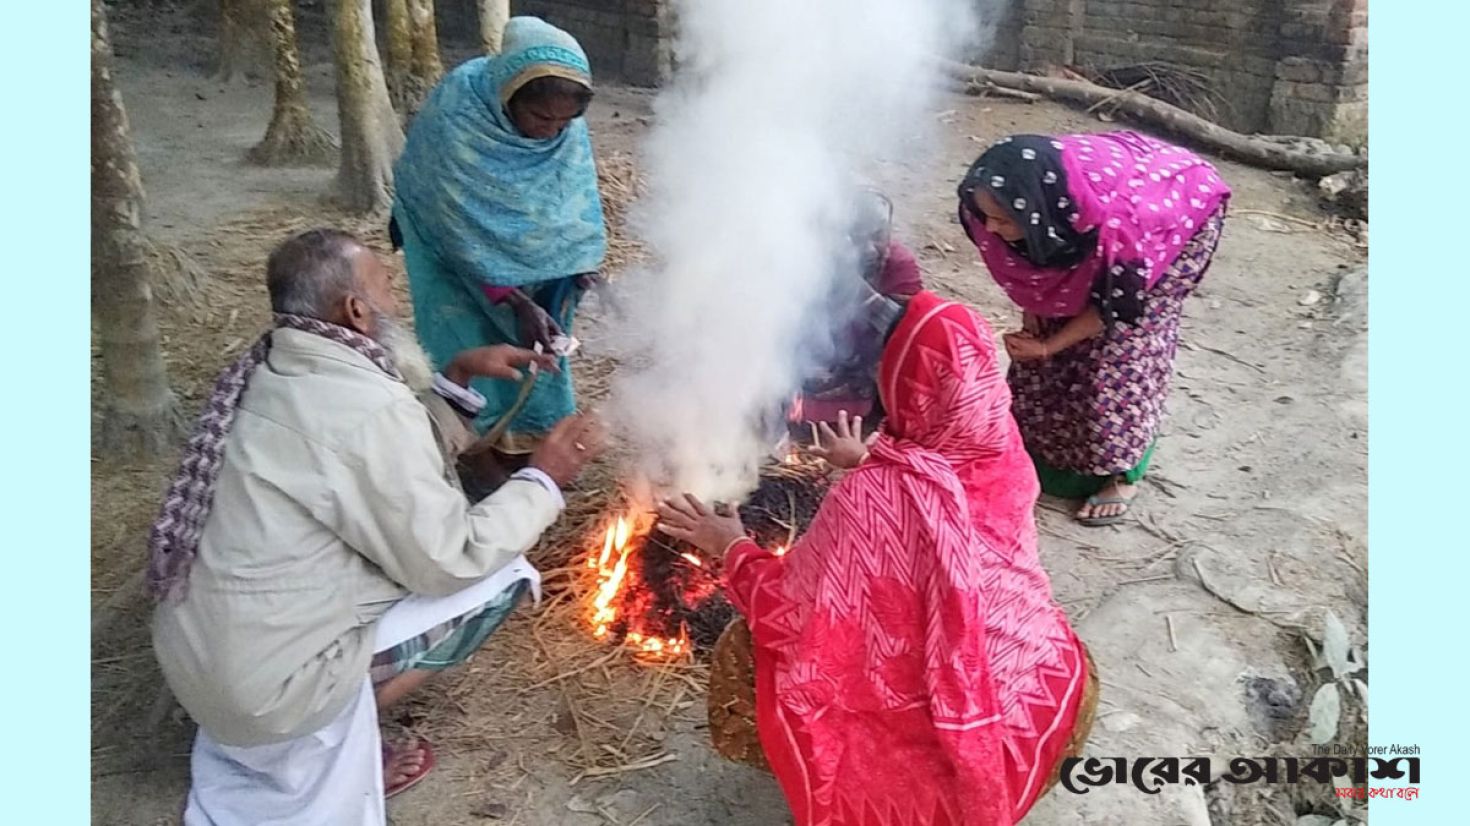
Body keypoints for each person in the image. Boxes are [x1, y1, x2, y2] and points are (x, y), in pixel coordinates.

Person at [149, 229, 608, 825]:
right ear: (356, 311)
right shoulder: (362, 407)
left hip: (203, 662)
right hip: (270, 690)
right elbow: (450, 558)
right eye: (385, 285)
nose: (396, 298)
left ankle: (311, 729)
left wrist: (461, 379)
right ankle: (336, 723)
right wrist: (544, 478)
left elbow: (379, 460)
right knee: (506, 575)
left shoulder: (275, 366)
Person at [657, 288, 1097, 825]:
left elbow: (787, 611)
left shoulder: (873, 501)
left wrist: (728, 545)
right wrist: (869, 454)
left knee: (748, 643)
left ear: (901, 389)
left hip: (929, 741)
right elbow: (940, 477)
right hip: (1035, 694)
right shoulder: (1000, 444)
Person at [957, 132, 1231, 526]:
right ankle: (1042, 456)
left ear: (1035, 214)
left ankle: (1123, 473)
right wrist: (1033, 311)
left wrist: (1051, 346)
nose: (992, 229)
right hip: (1082, 216)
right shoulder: (998, 206)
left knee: (1116, 359)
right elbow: (1025, 269)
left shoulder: (1122, 233)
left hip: (1176, 214)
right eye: (988, 217)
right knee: (1041, 351)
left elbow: (1114, 307)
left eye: (1003, 220)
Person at [390, 16, 606, 480]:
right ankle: (476, 459)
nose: (552, 131)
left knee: (539, 353)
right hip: (448, 255)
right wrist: (514, 299)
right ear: (509, 97)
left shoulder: (564, 125)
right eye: (540, 118)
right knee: (469, 342)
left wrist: (576, 268)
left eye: (563, 122)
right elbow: (455, 227)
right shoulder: (459, 117)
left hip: (536, 269)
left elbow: (570, 206)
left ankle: (530, 452)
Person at [791, 190, 924, 430]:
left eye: (878, 236)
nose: (871, 249)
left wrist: (861, 292)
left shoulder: (898, 264)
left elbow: (910, 333)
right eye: (856, 237)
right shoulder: (809, 260)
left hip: (869, 373)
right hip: (816, 369)